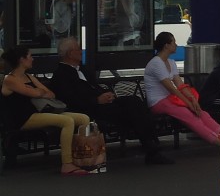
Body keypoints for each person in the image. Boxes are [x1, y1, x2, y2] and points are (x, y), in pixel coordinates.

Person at [51, 37, 173, 165]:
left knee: (134, 101)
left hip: (101, 104)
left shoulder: (82, 69)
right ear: (70, 53)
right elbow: (71, 100)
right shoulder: (61, 75)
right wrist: (97, 100)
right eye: (79, 49)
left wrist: (106, 95)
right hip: (90, 108)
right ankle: (152, 148)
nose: (82, 52)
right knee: (132, 111)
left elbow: (93, 87)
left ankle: (151, 144)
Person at [1, 44, 93, 175]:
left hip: (38, 113)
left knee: (83, 118)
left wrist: (36, 91)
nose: (32, 59)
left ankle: (81, 157)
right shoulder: (10, 80)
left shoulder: (29, 77)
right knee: (67, 121)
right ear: (22, 59)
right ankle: (67, 163)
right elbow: (35, 94)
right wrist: (37, 91)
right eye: (30, 56)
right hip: (22, 118)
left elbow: (50, 94)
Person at [144, 32, 220, 145]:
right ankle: (216, 140)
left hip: (170, 99)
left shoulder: (171, 62)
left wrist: (192, 99)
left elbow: (180, 85)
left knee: (201, 112)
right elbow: (172, 89)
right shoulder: (156, 63)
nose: (176, 44)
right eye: (173, 42)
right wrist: (188, 104)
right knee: (189, 115)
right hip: (158, 102)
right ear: (166, 45)